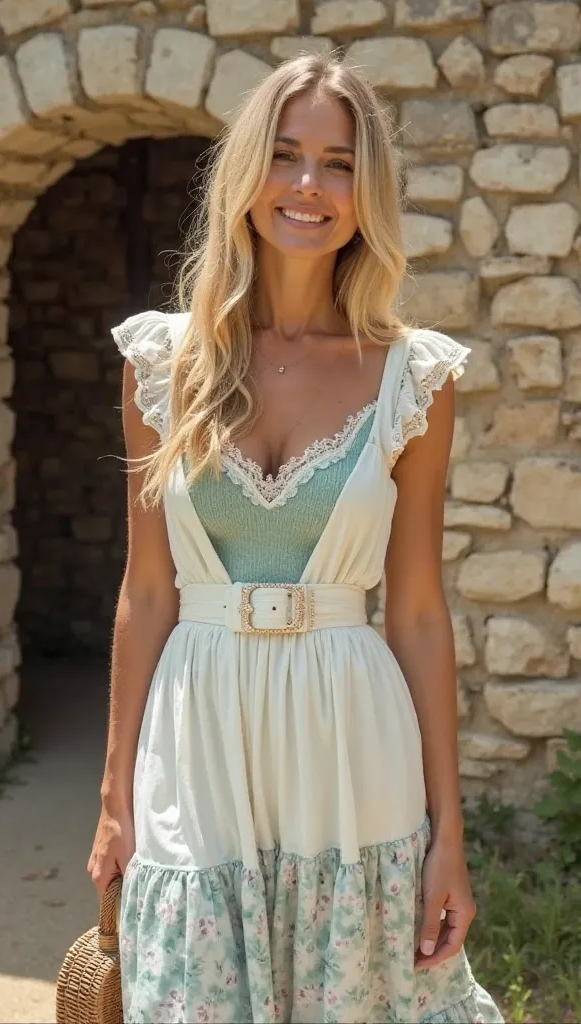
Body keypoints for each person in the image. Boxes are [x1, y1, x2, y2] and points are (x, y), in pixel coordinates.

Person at [87, 53, 504, 1024]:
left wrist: (448, 832)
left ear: (369, 193)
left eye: (338, 163)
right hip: (197, 736)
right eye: (284, 155)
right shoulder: (161, 362)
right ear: (244, 175)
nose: (308, 185)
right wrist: (114, 794)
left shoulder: (413, 380)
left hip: (351, 740)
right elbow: (147, 591)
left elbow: (415, 610)